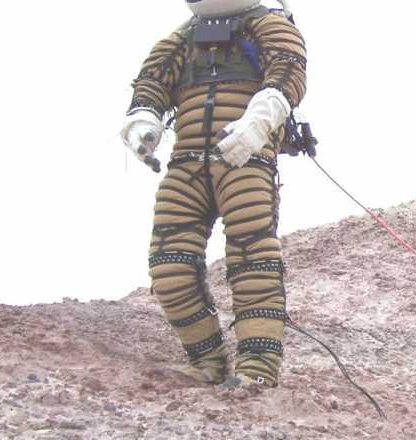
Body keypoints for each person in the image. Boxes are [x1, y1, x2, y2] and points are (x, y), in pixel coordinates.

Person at [119, 0, 306, 388]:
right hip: (186, 165)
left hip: (246, 160)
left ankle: (257, 369)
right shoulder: (180, 39)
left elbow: (287, 74)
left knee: (253, 260)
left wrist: (257, 123)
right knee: (169, 266)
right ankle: (207, 361)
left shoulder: (268, 26)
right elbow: (152, 83)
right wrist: (142, 120)